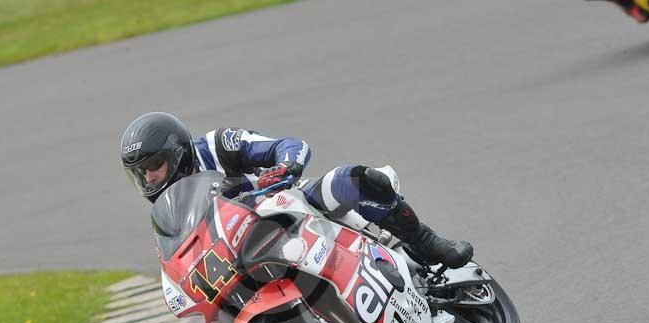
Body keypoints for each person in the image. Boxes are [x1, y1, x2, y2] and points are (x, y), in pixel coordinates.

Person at [120, 112, 472, 268]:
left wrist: (284, 168)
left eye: (154, 166)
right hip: (247, 253)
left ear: (176, 152)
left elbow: (289, 144)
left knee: (356, 180)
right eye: (141, 174)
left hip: (289, 204)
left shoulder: (217, 146)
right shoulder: (172, 212)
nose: (150, 178)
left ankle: (424, 241)